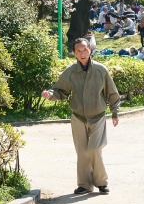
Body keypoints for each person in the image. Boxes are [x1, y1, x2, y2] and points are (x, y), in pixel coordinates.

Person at [42, 38, 121, 195]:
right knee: (82, 151)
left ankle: (101, 182)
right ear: (74, 53)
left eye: (85, 50)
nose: (82, 53)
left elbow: (112, 92)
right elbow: (61, 92)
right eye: (78, 51)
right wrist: (50, 95)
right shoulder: (70, 72)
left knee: (94, 149)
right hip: (78, 116)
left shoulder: (101, 70)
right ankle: (84, 184)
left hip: (98, 116)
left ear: (90, 50)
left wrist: (114, 112)